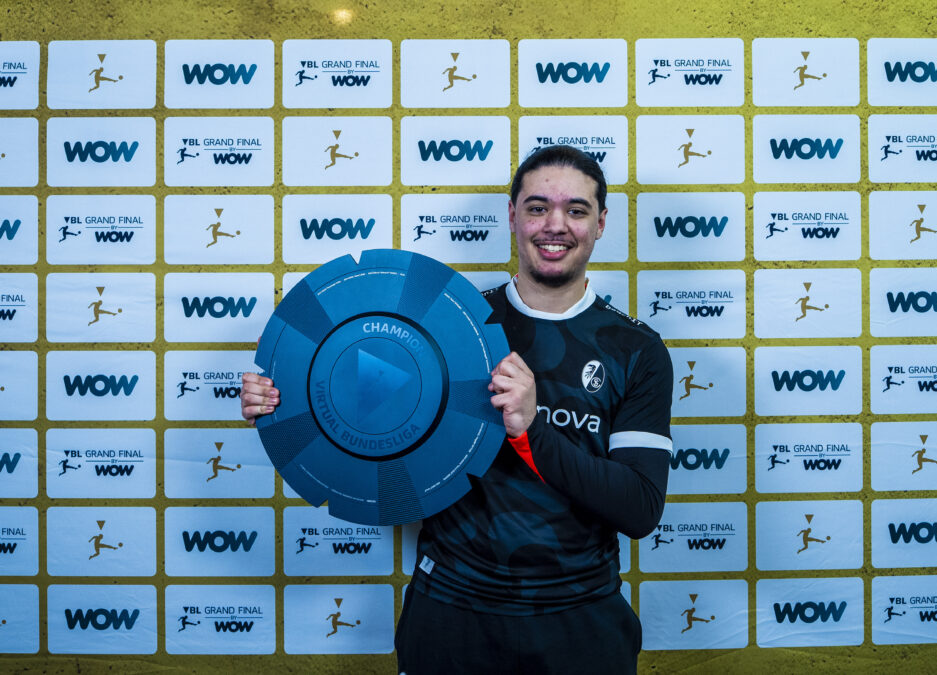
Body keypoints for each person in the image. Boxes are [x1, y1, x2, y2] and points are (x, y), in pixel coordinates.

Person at [241, 146, 673, 673]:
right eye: (537, 207)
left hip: (580, 621)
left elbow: (640, 509)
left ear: (601, 223)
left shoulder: (637, 350)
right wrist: (286, 393)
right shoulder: (449, 325)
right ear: (512, 215)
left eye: (576, 210)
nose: (555, 225)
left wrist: (529, 429)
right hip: (451, 616)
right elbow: (356, 406)